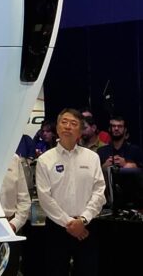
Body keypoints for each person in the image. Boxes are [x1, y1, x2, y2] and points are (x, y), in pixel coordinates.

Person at [35, 108, 106, 276]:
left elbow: (99, 191)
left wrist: (83, 219)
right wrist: (69, 223)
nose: (68, 126)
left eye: (73, 123)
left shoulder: (92, 157)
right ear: (57, 128)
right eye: (64, 122)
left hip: (87, 226)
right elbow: (45, 198)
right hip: (57, 228)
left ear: (80, 131)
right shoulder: (45, 160)